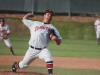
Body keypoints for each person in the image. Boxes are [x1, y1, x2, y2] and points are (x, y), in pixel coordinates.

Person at [11, 9, 62, 75]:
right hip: (32, 50)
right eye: (48, 14)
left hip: (43, 49)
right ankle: (15, 65)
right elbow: (24, 20)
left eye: (51, 15)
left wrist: (55, 39)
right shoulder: (35, 23)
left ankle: (50, 74)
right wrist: (28, 15)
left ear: (52, 17)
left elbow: (59, 42)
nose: (49, 16)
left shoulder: (52, 28)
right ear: (44, 15)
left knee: (49, 58)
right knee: (23, 65)